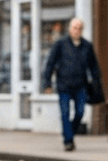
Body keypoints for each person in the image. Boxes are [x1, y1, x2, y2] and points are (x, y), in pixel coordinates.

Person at [42, 18, 101, 151]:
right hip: (64, 85)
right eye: (74, 28)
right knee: (65, 113)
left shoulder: (87, 46)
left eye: (79, 28)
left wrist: (97, 84)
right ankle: (68, 141)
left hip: (81, 85)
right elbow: (50, 64)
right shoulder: (60, 44)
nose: (77, 30)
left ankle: (68, 133)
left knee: (80, 112)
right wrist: (47, 83)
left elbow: (94, 67)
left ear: (82, 30)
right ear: (69, 29)